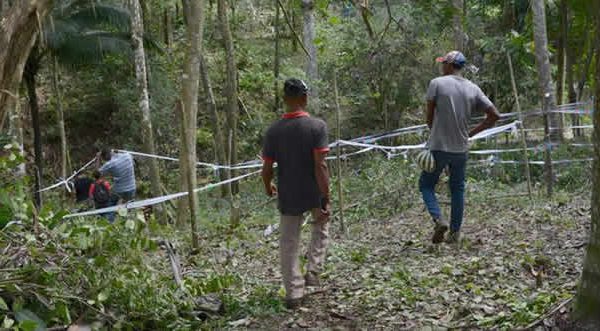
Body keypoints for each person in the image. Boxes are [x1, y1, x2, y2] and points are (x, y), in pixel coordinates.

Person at [261, 78, 331, 309]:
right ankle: (313, 271)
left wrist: (267, 185)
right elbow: (320, 165)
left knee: (288, 242)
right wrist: (325, 195)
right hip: (313, 191)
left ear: (284, 100)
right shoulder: (316, 127)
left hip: (288, 193)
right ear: (305, 98)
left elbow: (267, 168)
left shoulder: (273, 131)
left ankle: (293, 293)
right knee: (321, 227)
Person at [420, 50, 500, 244]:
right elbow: (495, 115)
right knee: (457, 189)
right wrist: (470, 133)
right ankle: (455, 234)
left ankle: (439, 219)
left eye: (443, 63)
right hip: (461, 149)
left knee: (426, 185)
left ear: (449, 65)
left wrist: (434, 134)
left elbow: (429, 116)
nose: (441, 66)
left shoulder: (437, 83)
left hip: (438, 146)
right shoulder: (473, 88)